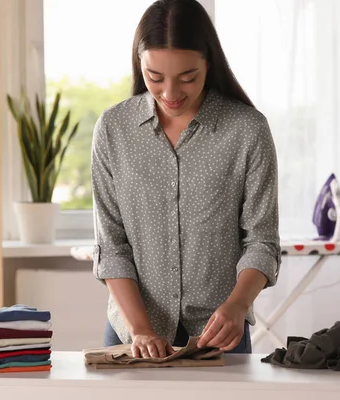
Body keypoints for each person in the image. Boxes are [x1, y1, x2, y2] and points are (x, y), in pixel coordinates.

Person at [91, 0, 281, 359]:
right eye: (155, 77)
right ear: (139, 64)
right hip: (131, 333)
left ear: (209, 62)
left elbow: (262, 241)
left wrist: (238, 305)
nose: (170, 94)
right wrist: (141, 329)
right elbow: (112, 247)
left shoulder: (247, 130)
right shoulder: (113, 130)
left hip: (219, 333)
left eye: (188, 77)